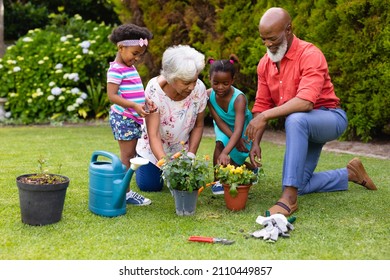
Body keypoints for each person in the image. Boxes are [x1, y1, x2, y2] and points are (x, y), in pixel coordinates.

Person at [245, 7, 377, 216]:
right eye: (263, 39)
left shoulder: (310, 54)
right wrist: (255, 143)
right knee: (300, 183)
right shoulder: (265, 64)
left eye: (272, 38)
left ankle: (289, 199)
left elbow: (306, 102)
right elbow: (262, 104)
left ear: (288, 29)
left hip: (329, 118)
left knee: (296, 119)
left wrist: (265, 116)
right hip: (302, 127)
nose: (268, 44)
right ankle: (349, 174)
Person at [135, 45, 208, 192]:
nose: (192, 87)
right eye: (186, 82)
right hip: (153, 146)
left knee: (186, 184)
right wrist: (167, 165)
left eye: (194, 80)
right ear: (171, 78)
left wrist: (191, 155)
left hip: (181, 149)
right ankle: (138, 160)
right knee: (150, 186)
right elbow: (153, 134)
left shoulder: (199, 89)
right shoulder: (154, 90)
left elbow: (199, 126)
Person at [107, 23, 157, 206]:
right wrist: (134, 106)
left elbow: (133, 90)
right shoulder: (115, 70)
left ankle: (125, 190)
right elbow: (112, 96)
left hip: (132, 117)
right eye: (134, 53)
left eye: (140, 55)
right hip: (123, 119)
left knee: (131, 155)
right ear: (121, 47)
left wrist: (144, 101)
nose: (137, 58)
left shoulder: (129, 67)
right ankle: (125, 193)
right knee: (127, 157)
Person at [206, 55, 255, 195]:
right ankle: (217, 182)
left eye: (225, 83)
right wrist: (224, 150)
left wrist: (228, 150)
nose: (220, 87)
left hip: (242, 129)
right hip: (223, 127)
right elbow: (219, 121)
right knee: (219, 145)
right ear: (210, 79)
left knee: (234, 165)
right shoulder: (208, 95)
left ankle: (251, 168)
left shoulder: (239, 99)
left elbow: (239, 129)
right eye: (216, 83)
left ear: (232, 81)